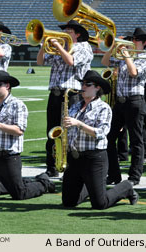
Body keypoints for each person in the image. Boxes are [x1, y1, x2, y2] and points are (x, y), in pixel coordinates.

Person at [61, 70, 139, 209]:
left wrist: (79, 124)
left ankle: (126, 187)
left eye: (87, 84)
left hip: (94, 158)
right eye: (82, 84)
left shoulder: (104, 108)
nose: (83, 87)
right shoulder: (75, 106)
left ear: (97, 88)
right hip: (74, 157)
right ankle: (90, 186)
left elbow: (101, 133)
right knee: (68, 202)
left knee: (100, 203)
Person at [0, 70, 55, 200]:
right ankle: (20, 182)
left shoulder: (18, 105)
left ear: (7, 86)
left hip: (9, 156)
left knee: (20, 194)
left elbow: (19, 130)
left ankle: (43, 183)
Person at [37, 19, 93, 178]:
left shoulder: (84, 47)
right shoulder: (57, 47)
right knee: (52, 131)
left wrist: (60, 46)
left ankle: (71, 167)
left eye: (69, 30)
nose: (64, 32)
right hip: (55, 94)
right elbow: (40, 62)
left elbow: (72, 61)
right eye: (65, 30)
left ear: (77, 34)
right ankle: (52, 167)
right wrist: (43, 46)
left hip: (72, 94)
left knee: (71, 132)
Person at [101, 27, 146, 186]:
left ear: (144, 42)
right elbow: (105, 62)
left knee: (136, 141)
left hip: (135, 101)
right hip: (120, 102)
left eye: (136, 40)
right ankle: (114, 175)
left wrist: (126, 55)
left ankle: (134, 176)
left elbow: (134, 72)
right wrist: (112, 47)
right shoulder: (125, 55)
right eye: (132, 39)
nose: (132, 42)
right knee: (108, 138)